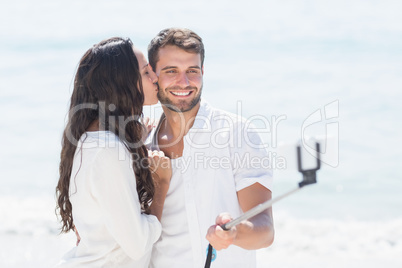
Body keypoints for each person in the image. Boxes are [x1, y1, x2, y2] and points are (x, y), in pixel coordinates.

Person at [146, 28, 274, 267]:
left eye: (192, 71)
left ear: (203, 72)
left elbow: (265, 230)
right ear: (153, 76)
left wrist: (235, 232)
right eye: (171, 71)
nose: (183, 82)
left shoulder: (237, 133)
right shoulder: (142, 145)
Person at [55, 37, 172, 267]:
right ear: (123, 83)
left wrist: (134, 142)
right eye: (146, 72)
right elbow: (137, 245)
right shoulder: (107, 151)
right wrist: (160, 185)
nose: (155, 78)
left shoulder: (91, 140)